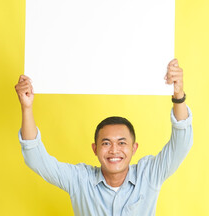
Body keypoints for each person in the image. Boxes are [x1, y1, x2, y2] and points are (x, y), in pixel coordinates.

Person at [15, 58, 193, 216]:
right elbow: (36, 159)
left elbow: (181, 144)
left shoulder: (149, 175)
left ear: (134, 148)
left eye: (122, 143)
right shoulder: (80, 180)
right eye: (106, 143)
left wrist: (178, 95)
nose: (114, 150)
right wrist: (27, 107)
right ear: (95, 149)